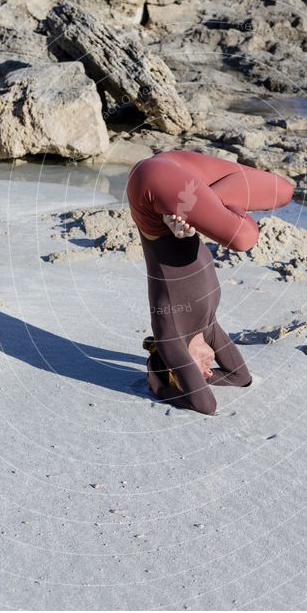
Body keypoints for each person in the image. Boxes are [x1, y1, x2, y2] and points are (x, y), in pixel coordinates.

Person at [126, 149, 294, 415]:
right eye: (208, 374)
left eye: (198, 372)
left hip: (151, 186)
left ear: (175, 365)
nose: (208, 369)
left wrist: (157, 383)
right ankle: (201, 199)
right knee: (282, 191)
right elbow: (241, 377)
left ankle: (197, 202)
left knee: (243, 238)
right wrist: (196, 207)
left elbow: (205, 405)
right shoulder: (207, 327)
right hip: (176, 169)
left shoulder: (170, 335)